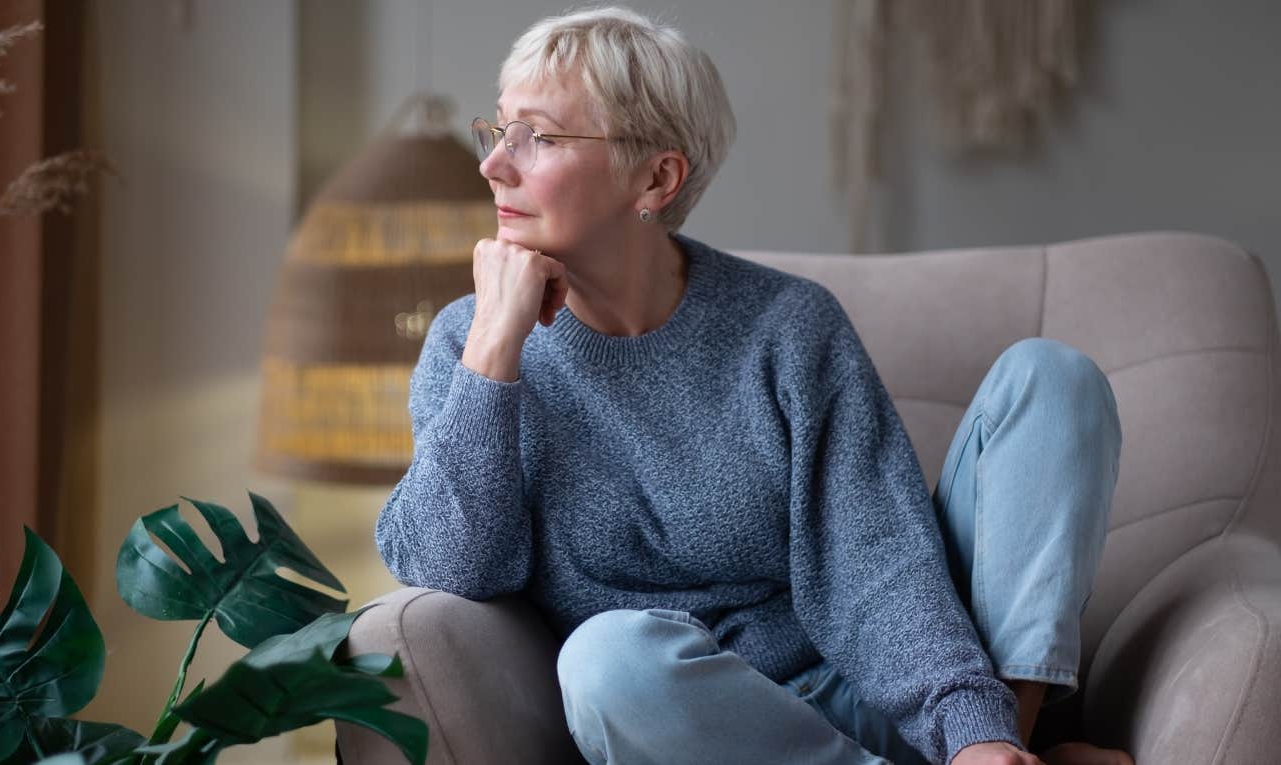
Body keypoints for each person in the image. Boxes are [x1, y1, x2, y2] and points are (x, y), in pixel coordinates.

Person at [375, 7, 1131, 765]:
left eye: (537, 136)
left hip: (857, 692)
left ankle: (998, 746)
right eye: (498, 130)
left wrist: (972, 727)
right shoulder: (471, 344)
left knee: (1051, 381)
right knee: (603, 660)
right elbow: (452, 572)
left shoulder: (787, 327)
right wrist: (493, 351)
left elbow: (875, 556)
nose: (493, 164)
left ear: (656, 177)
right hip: (696, 725)